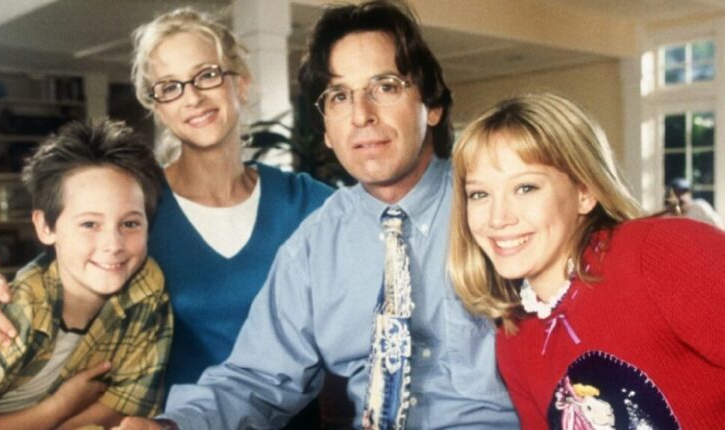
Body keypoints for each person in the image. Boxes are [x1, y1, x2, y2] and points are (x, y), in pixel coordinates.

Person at [111, 1, 518, 429]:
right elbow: (257, 379)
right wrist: (172, 426)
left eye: (385, 87)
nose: (361, 115)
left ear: (432, 105)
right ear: (326, 127)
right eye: (340, 96)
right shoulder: (315, 244)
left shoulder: (500, 208)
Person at [0, 6, 332, 409]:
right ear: (158, 107)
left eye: (207, 75)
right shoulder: (133, 205)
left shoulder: (307, 203)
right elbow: (58, 273)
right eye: (170, 86)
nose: (192, 97)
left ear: (242, 83)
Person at [448, 93, 725, 428]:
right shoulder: (514, 337)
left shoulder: (662, 251)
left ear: (584, 191)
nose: (497, 218)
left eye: (525, 188)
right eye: (479, 194)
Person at [0, 120, 172, 429]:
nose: (113, 245)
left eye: (130, 223)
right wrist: (58, 408)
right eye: (89, 224)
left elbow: (129, 403)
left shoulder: (146, 287)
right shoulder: (9, 314)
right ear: (45, 227)